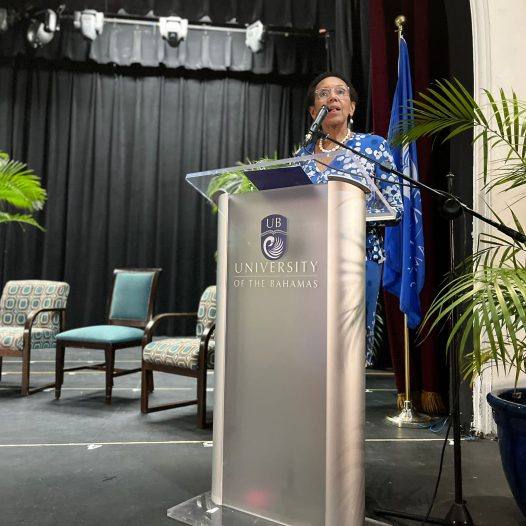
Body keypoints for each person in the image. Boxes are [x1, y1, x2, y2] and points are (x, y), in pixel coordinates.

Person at [296, 72, 403, 366]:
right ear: (313, 112)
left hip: (359, 256)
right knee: (311, 343)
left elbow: (395, 208)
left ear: (352, 107)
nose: (332, 97)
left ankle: (349, 395)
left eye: (340, 92)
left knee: (349, 347)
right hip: (309, 263)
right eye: (323, 93)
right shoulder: (301, 156)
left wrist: (347, 216)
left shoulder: (373, 146)